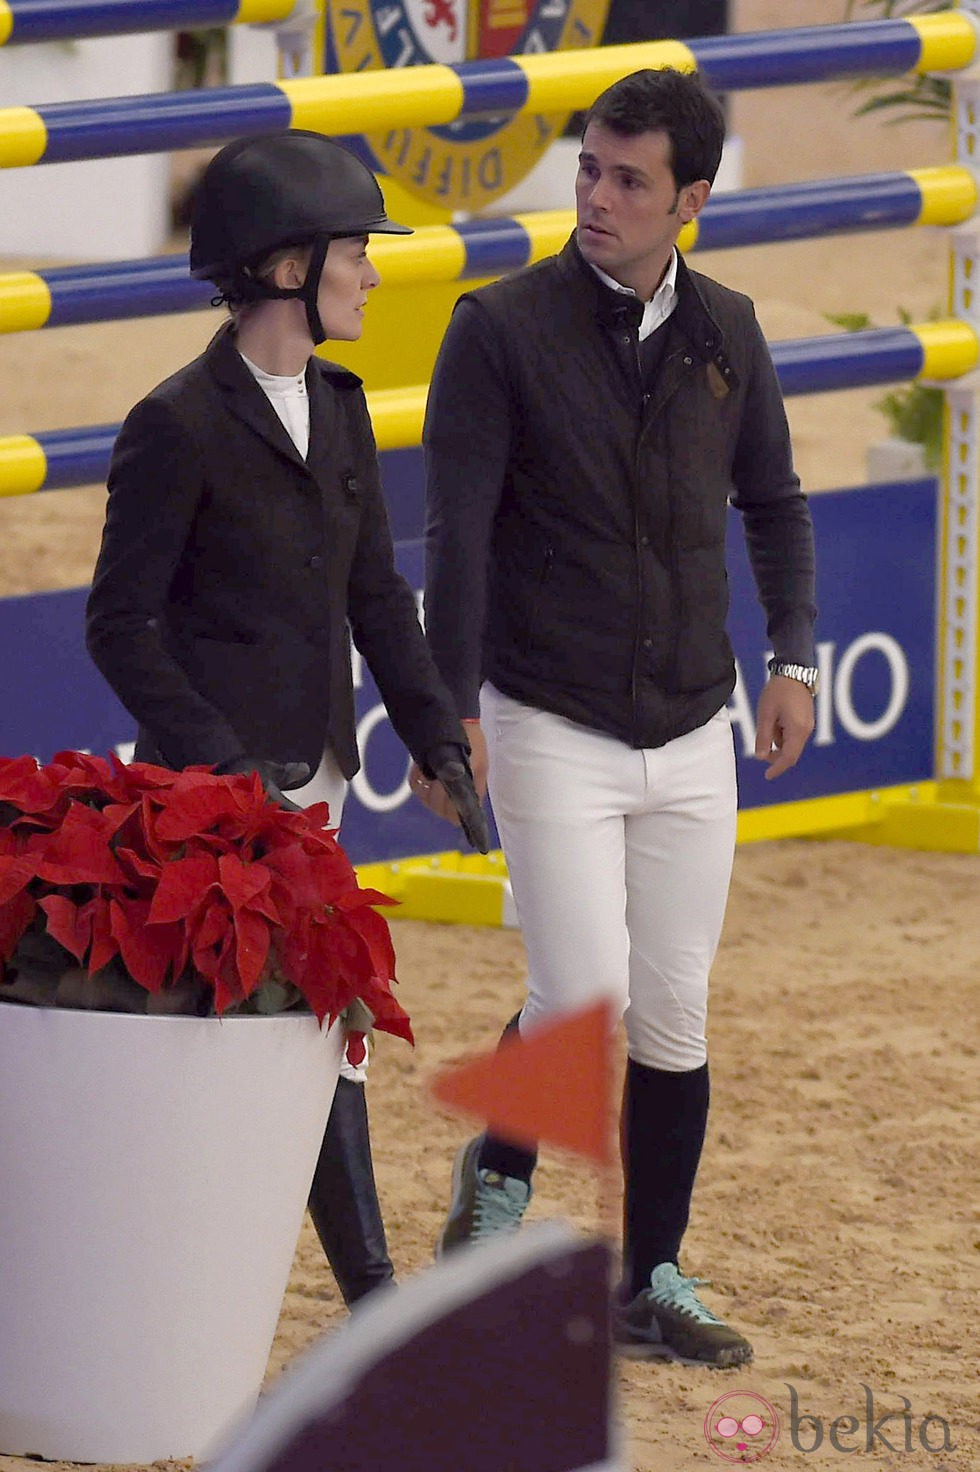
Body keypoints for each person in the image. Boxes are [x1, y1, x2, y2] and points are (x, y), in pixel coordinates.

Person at [415, 67, 818, 1367]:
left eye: (628, 179)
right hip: (548, 716)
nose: (596, 195)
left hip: (697, 724)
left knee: (674, 1012)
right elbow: (456, 536)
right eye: (589, 167)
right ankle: (501, 1171)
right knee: (578, 993)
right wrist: (448, 709)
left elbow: (778, 502)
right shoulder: (497, 329)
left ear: (690, 200)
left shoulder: (731, 335)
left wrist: (795, 658)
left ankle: (653, 1277)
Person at [86, 129, 488, 1309]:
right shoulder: (177, 423)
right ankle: (361, 1294)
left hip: (311, 788)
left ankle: (369, 1296)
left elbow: (374, 595)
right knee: (277, 1033)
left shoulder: (343, 408)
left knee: (320, 1026)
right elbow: (121, 625)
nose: (370, 275)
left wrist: (434, 737)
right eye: (354, 253)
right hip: (210, 805)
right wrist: (220, 764)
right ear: (282, 266)